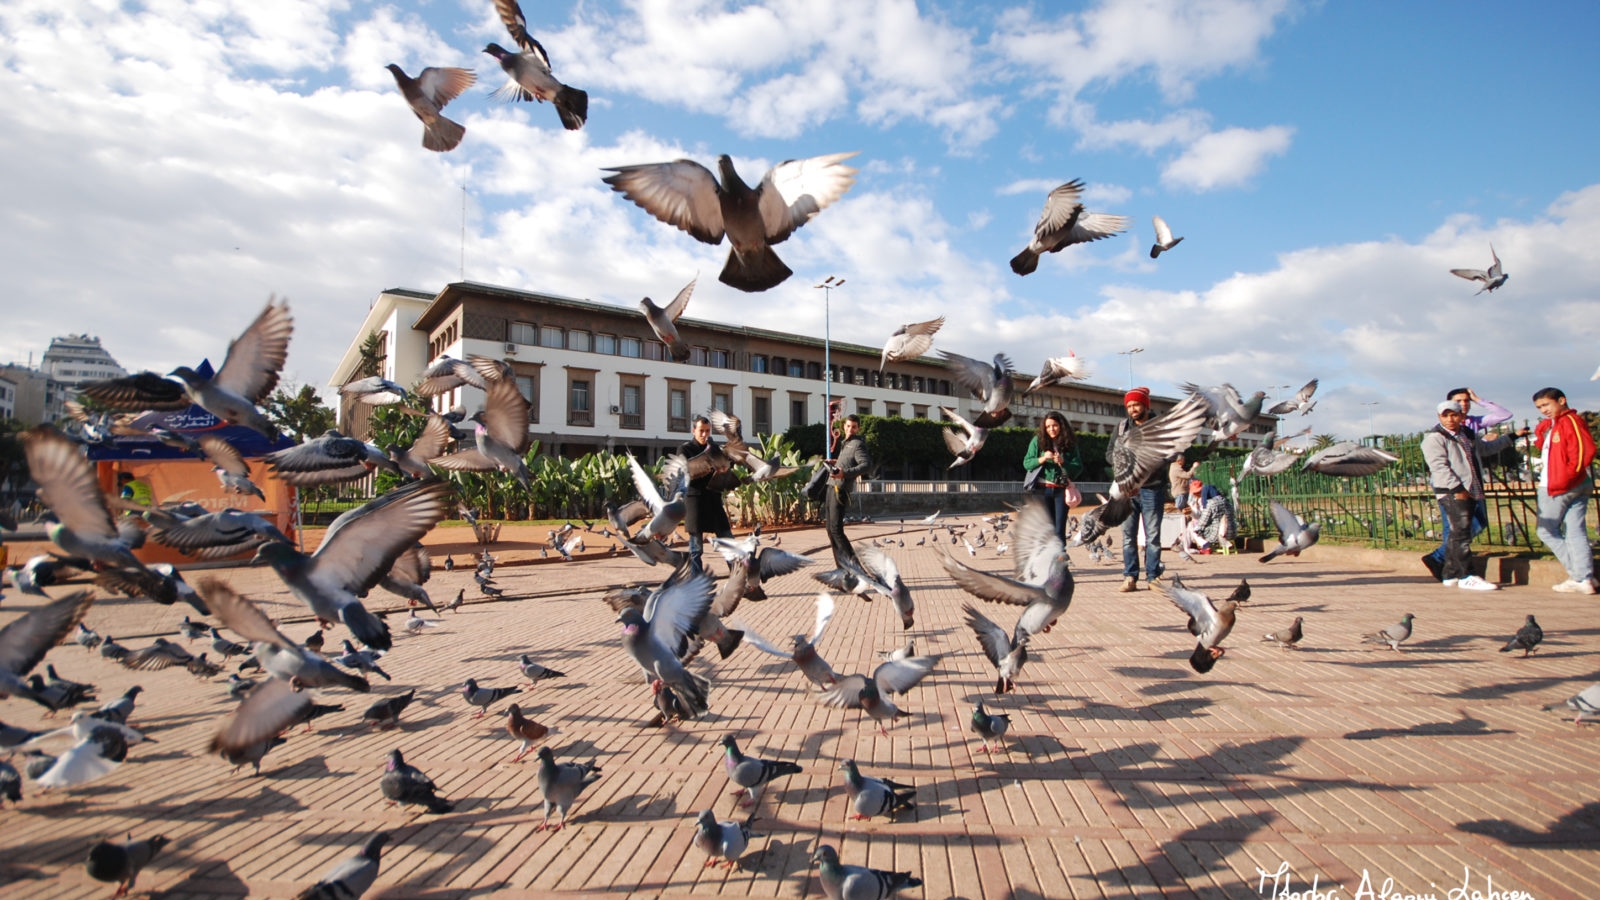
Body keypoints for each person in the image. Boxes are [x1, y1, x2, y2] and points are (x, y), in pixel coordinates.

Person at [1421, 400, 1524, 591]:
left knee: (1464, 530)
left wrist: (1511, 437)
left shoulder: (1467, 434)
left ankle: (1450, 573)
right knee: (1461, 533)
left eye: (1454, 415)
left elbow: (1486, 450)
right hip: (1453, 492)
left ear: (1461, 416)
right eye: (1446, 415)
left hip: (1473, 488)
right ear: (1439, 417)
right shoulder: (1435, 439)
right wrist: (1457, 489)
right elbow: (1439, 467)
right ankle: (1466, 575)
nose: (1450, 419)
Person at [1530, 387, 1597, 593]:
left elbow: (1584, 452)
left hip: (1561, 485)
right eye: (1539, 407)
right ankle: (1584, 578)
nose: (1543, 410)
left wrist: (1566, 479)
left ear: (1561, 400)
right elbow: (1545, 446)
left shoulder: (1570, 421)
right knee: (1575, 531)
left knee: (1546, 530)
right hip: (1567, 484)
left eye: (1546, 405)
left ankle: (1579, 575)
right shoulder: (1554, 424)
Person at [1111, 387, 1168, 592]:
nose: (1132, 409)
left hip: (1153, 488)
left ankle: (1153, 577)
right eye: (1129, 406)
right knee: (1128, 536)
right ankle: (1130, 576)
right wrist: (1122, 462)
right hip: (1127, 490)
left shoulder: (1158, 427)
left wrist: (1146, 465)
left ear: (1145, 405)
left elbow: (1168, 455)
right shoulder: (1122, 428)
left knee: (1152, 535)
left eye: (1136, 405)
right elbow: (1109, 453)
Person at [678, 415, 734, 573]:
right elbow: (686, 473)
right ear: (693, 430)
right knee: (696, 548)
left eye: (708, 431)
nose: (705, 435)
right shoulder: (685, 449)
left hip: (714, 499)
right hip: (695, 500)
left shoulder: (714, 448)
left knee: (728, 541)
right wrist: (706, 465)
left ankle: (739, 579)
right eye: (701, 431)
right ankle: (697, 584)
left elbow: (726, 466)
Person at [1023, 411, 1083, 543]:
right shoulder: (1037, 441)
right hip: (1041, 490)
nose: (1051, 429)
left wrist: (1063, 462)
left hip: (1061, 490)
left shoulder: (1070, 443)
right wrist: (1043, 458)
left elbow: (1078, 467)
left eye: (1055, 425)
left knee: (1059, 530)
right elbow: (1027, 463)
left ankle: (1061, 563)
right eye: (1048, 426)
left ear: (1061, 425)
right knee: (1045, 530)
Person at [825, 414, 871, 562]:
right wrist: (835, 462)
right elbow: (847, 462)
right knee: (830, 530)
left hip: (841, 490)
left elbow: (866, 465)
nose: (850, 429)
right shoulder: (845, 443)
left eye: (854, 427)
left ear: (858, 428)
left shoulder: (858, 444)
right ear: (844, 426)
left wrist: (844, 473)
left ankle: (855, 566)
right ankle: (842, 569)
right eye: (848, 426)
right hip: (831, 487)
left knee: (836, 530)